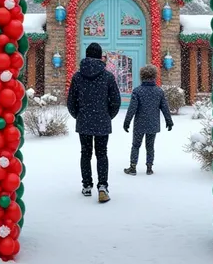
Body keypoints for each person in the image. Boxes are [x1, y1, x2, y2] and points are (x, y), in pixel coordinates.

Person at [67, 42, 121, 202]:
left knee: (85, 153)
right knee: (102, 153)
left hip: (84, 121)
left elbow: (71, 102)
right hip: (102, 121)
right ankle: (102, 186)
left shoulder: (77, 77)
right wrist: (107, 115)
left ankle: (86, 186)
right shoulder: (108, 77)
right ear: (100, 56)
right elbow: (116, 101)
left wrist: (79, 115)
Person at [123, 64, 173, 176]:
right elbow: (164, 107)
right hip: (153, 123)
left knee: (136, 145)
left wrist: (127, 122)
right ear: (154, 76)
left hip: (139, 123)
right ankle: (149, 167)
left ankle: (133, 166)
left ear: (142, 76)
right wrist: (168, 121)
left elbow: (132, 108)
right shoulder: (159, 91)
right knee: (150, 146)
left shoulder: (137, 91)